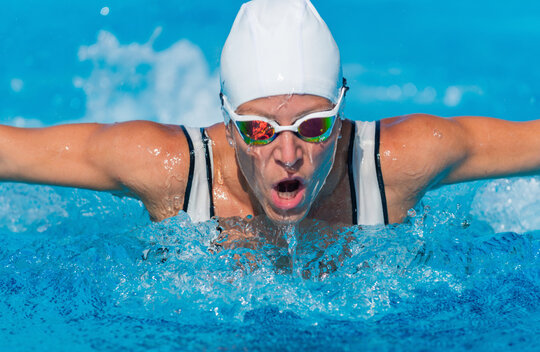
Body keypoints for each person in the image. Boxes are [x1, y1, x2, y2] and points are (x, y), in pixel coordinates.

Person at [1, 0, 539, 229]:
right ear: (228, 124)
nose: (287, 153)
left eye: (313, 126)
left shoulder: (401, 161)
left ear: (341, 113)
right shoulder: (167, 168)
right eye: (259, 129)